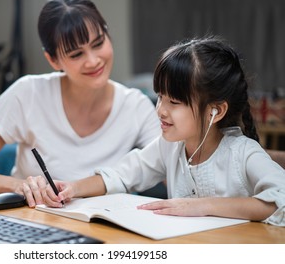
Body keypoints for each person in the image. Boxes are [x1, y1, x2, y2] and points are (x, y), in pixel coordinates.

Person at [0, 0, 160, 207]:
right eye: (76, 54)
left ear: (107, 34)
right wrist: (18, 186)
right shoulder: (28, 93)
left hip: (106, 231)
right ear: (53, 59)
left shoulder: (136, 106)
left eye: (98, 44)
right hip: (35, 224)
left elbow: (171, 166)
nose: (93, 61)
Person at [44, 36, 285, 226]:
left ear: (216, 111)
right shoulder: (169, 146)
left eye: (174, 102)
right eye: (160, 97)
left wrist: (203, 206)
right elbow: (122, 174)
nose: (160, 110)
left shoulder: (243, 152)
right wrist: (73, 188)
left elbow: (280, 200)